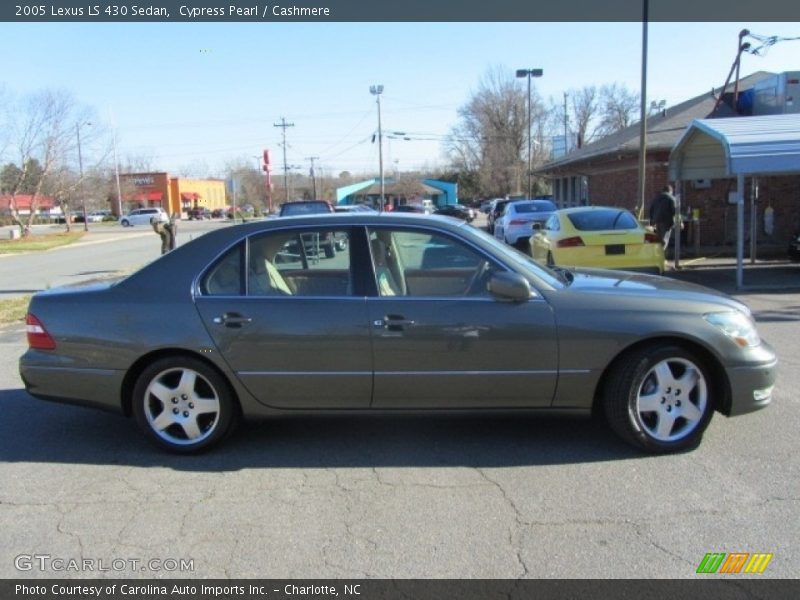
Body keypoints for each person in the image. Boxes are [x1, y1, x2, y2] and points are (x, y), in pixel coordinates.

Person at [649, 184, 677, 249]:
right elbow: (675, 211)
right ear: (670, 191)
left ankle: (658, 255)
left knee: (659, 239)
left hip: (657, 221)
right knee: (665, 239)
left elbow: (651, 210)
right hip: (667, 222)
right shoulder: (671, 198)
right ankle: (661, 256)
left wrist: (651, 222)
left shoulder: (656, 198)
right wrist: (680, 222)